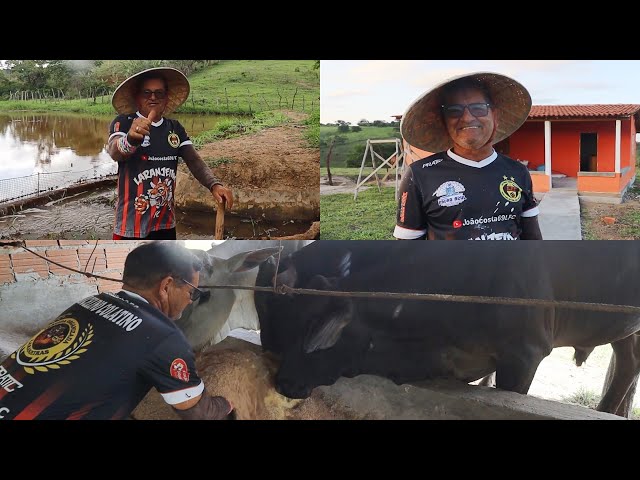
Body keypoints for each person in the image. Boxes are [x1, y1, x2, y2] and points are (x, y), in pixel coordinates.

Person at [0, 242, 234, 420]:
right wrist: (226, 404)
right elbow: (198, 412)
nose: (191, 300)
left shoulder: (91, 301)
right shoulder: (165, 338)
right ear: (166, 286)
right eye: (192, 292)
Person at [394, 72, 542, 240]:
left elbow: (533, 239)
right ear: (444, 121)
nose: (467, 118)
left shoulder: (518, 171)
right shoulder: (420, 175)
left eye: (478, 108)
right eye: (454, 111)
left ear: (495, 116)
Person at [107, 67, 234, 240]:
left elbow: (193, 160)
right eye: (147, 93)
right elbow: (115, 152)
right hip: (131, 224)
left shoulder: (175, 128)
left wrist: (214, 184)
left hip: (165, 223)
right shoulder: (123, 122)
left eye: (159, 93)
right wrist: (130, 139)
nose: (153, 97)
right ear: (137, 97)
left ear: (166, 99)